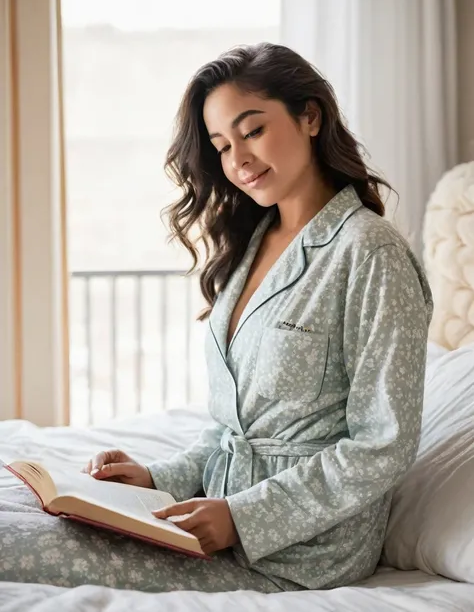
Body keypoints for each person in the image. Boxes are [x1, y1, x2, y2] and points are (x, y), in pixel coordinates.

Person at [0, 42, 433, 593]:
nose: (239, 162)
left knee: (13, 547)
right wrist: (158, 478)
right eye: (223, 146)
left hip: (299, 552)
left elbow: (383, 445)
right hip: (218, 517)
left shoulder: (370, 253)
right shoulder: (255, 242)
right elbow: (236, 431)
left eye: (252, 131)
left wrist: (243, 518)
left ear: (310, 116)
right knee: (18, 510)